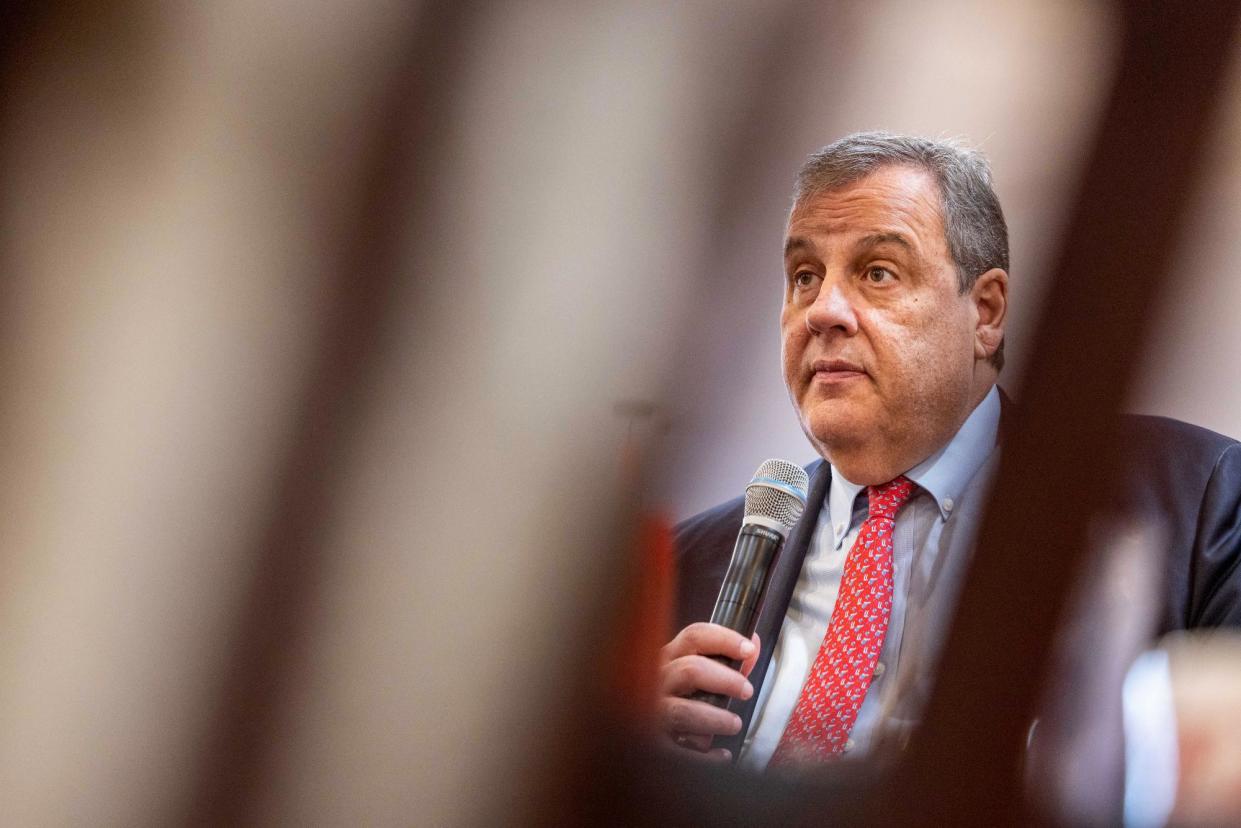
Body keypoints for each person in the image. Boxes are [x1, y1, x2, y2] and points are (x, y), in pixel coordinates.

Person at [656, 132, 1241, 775]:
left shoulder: (1196, 504)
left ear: (986, 312)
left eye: (877, 272)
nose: (823, 311)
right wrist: (635, 766)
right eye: (804, 276)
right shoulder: (689, 568)